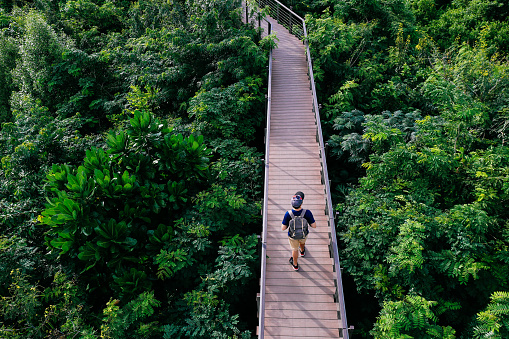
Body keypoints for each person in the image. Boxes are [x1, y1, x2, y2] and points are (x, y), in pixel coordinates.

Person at [281, 191, 316, 271]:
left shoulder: (288, 214)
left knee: (294, 249)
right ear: (301, 203)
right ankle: (302, 251)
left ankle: (295, 265)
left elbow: (283, 228)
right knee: (302, 242)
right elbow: (314, 226)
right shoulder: (307, 212)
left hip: (293, 236)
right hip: (304, 233)